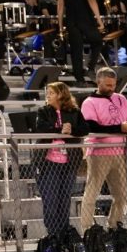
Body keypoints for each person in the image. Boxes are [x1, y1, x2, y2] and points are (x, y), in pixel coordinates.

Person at [80, 67, 127, 229]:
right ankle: (87, 229)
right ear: (98, 83)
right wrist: (120, 128)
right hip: (99, 152)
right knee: (91, 193)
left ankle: (114, 226)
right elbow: (92, 127)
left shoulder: (120, 98)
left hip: (120, 152)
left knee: (122, 195)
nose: (112, 89)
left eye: (114, 85)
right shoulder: (89, 102)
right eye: (108, 85)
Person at [33, 81, 86, 238]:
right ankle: (53, 234)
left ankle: (63, 233)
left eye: (51, 93)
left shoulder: (74, 111)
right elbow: (40, 128)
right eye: (47, 93)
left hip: (69, 163)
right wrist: (59, 130)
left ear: (61, 94)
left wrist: (72, 130)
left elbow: (84, 129)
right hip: (48, 164)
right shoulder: (43, 111)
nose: (47, 95)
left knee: (64, 201)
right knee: (50, 201)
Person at [57, 0, 105, 83]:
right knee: (97, 42)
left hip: (71, 20)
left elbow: (60, 6)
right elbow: (91, 0)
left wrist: (61, 26)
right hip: (85, 18)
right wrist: (99, 20)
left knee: (76, 49)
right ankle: (90, 68)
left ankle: (79, 79)